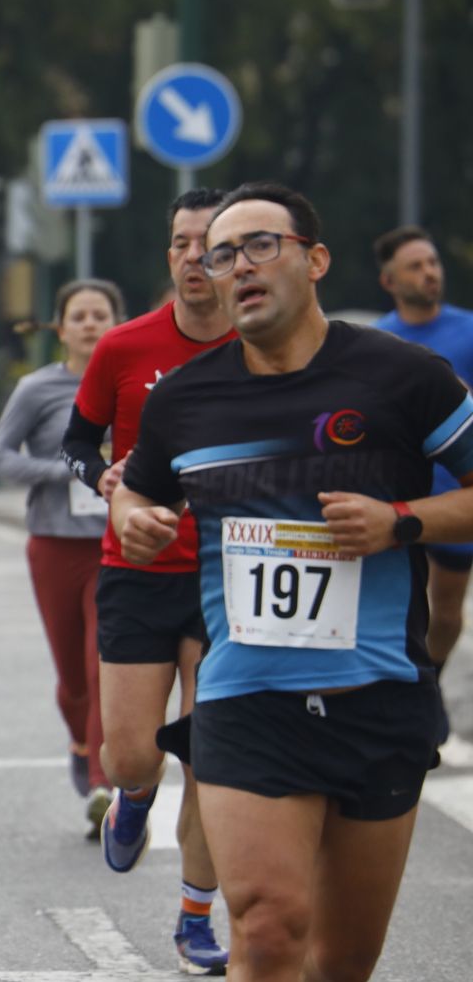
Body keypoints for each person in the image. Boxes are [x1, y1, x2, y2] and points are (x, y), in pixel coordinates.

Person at [115, 182, 473, 982]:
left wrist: (401, 522)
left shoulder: (404, 377)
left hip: (377, 699)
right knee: (270, 930)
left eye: (258, 246)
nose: (233, 266)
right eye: (218, 254)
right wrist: (132, 518)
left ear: (315, 260)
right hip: (246, 701)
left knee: (342, 963)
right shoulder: (186, 400)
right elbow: (138, 489)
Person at [60, 189, 233, 975]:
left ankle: (196, 916)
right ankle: (133, 798)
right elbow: (77, 442)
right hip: (136, 569)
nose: (193, 257)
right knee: (132, 755)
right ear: (167, 255)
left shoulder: (260, 346)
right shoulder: (125, 347)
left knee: (215, 754)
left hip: (230, 576)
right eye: (179, 243)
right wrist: (107, 485)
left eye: (210, 244)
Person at [0, 279, 124, 837]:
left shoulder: (135, 384)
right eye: (80, 316)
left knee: (101, 665)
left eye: (101, 314)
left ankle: (102, 784)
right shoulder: (38, 389)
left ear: (118, 323)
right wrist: (73, 469)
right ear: (61, 328)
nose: (91, 324)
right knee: (72, 676)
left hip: (117, 546)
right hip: (53, 544)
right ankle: (79, 741)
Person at [374, 226, 473, 735]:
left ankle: (432, 680)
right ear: (389, 280)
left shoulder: (468, 331)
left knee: (448, 609)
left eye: (433, 262)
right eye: (415, 266)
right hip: (401, 493)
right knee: (403, 603)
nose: (429, 272)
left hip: (459, 491)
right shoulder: (380, 340)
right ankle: (411, 698)